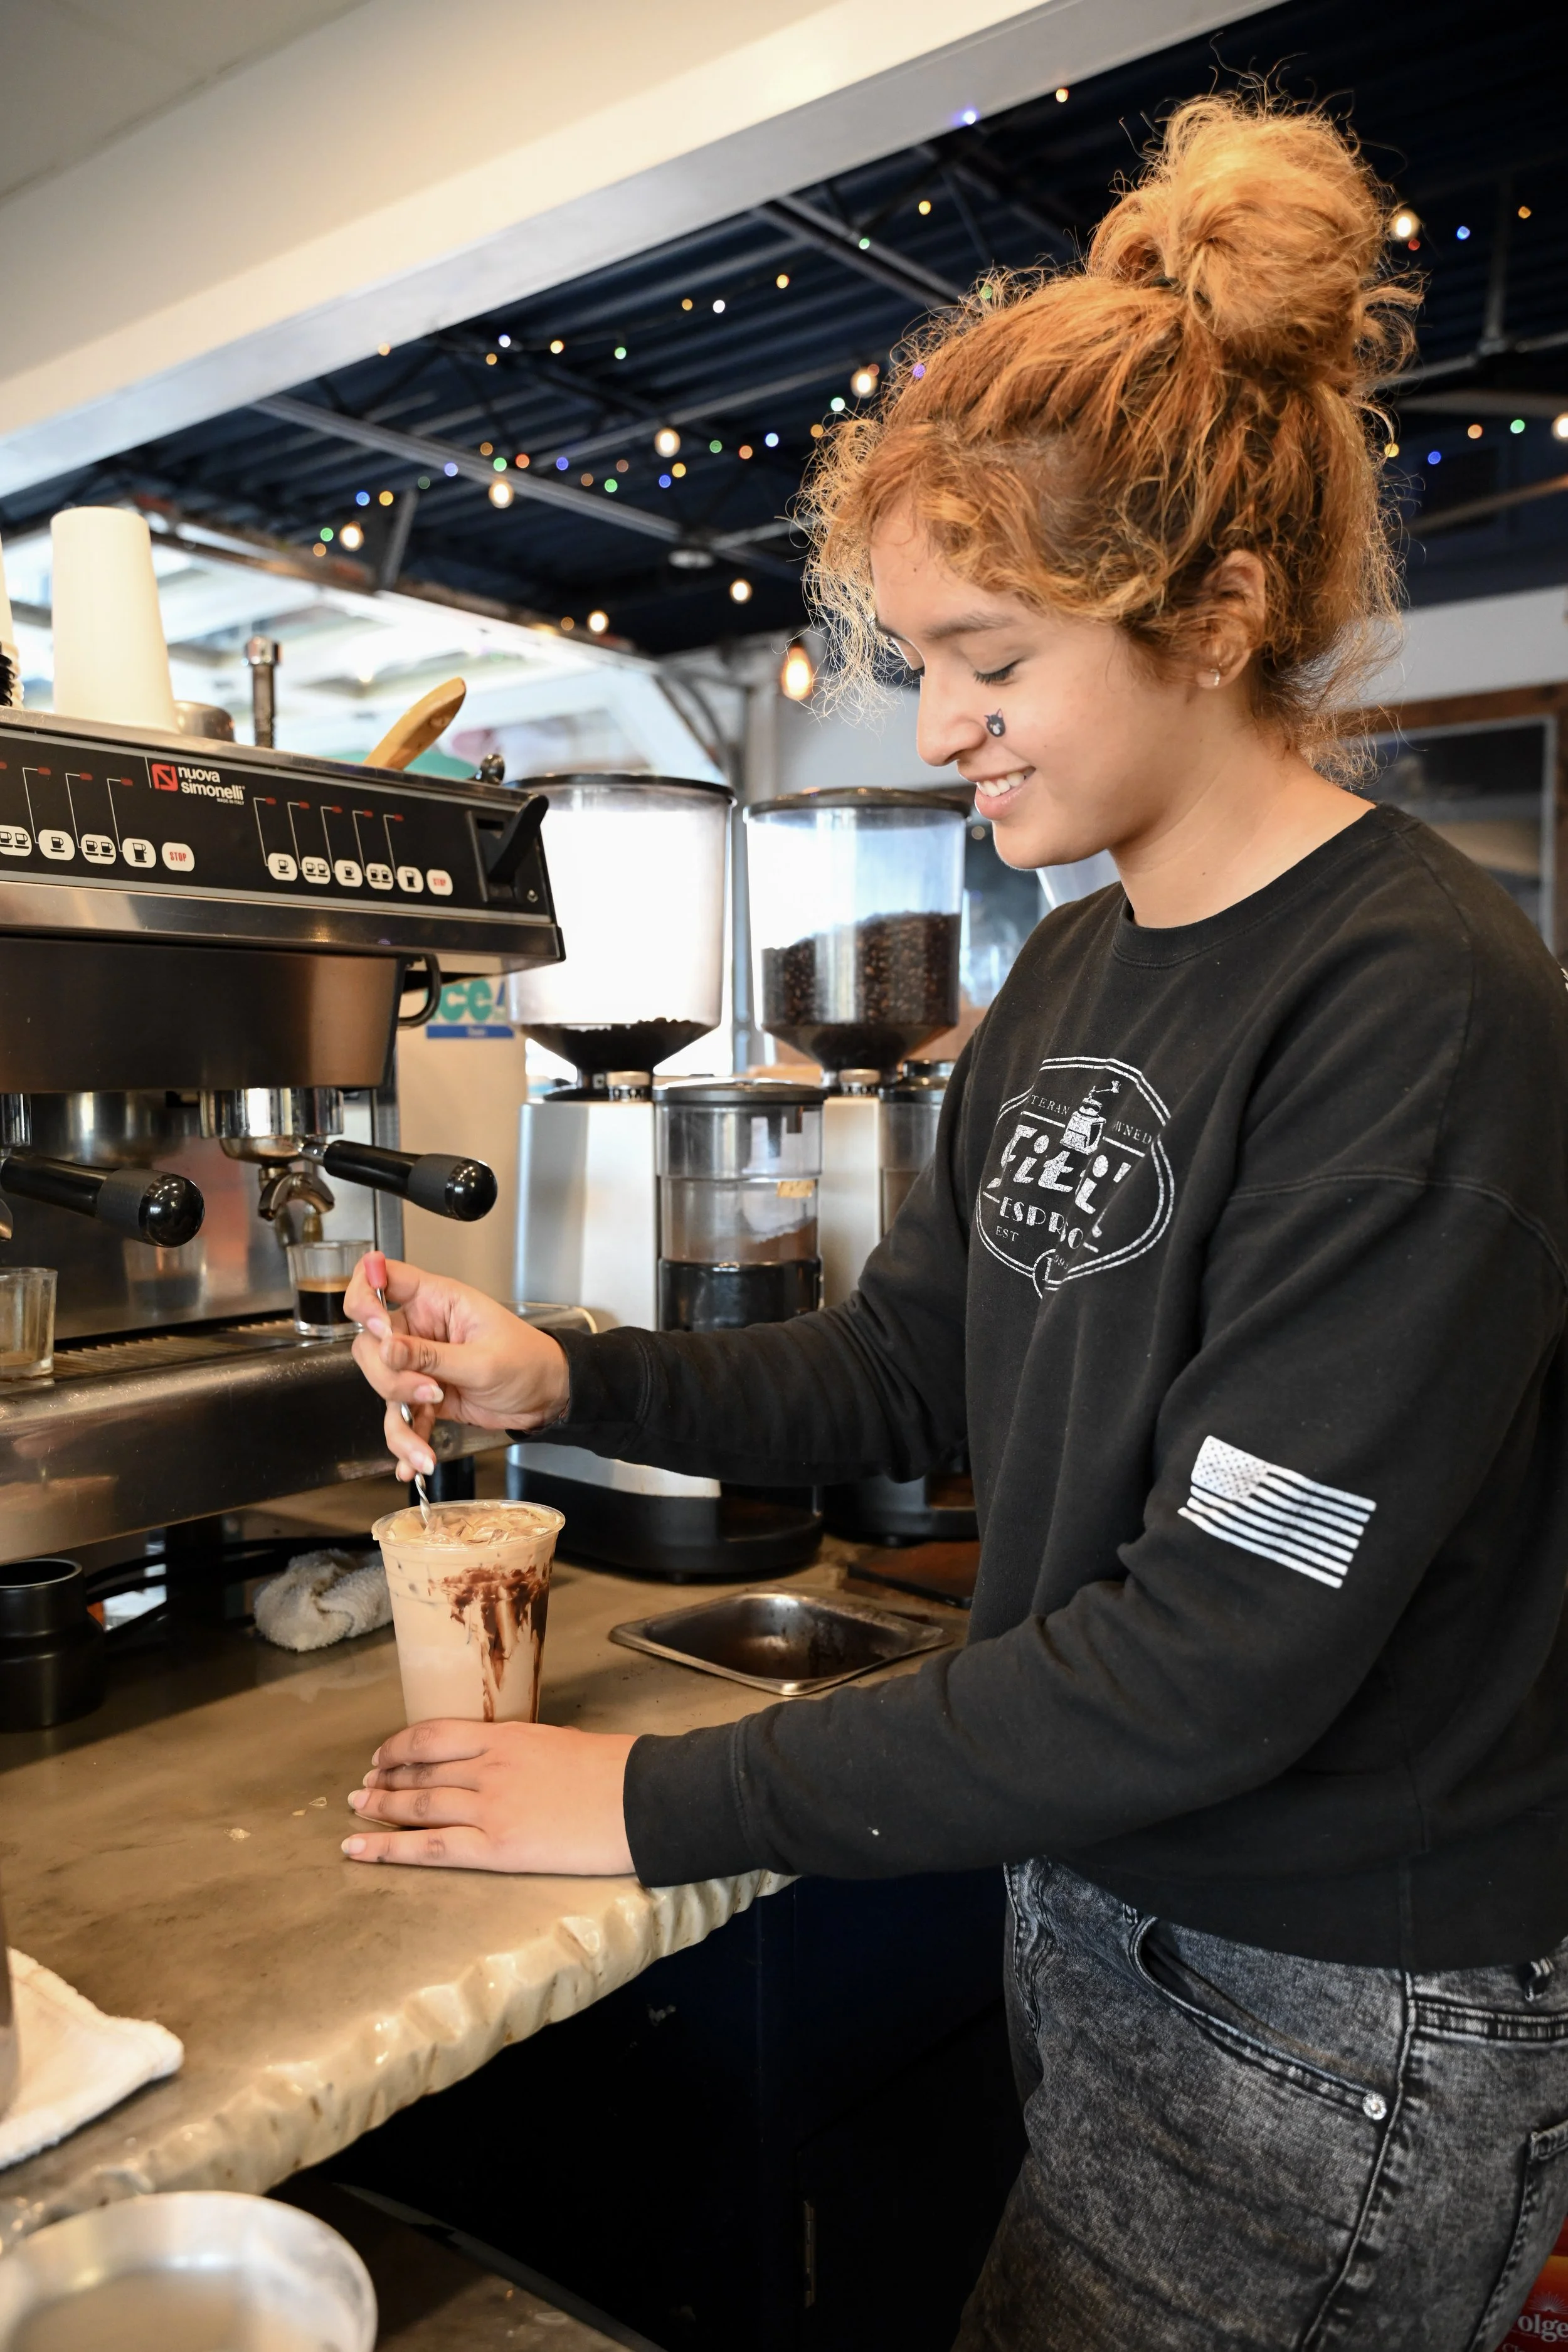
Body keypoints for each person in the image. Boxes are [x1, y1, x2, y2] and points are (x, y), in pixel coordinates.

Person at [341, 96, 1568, 2352]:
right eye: (920, 659)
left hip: (1332, 1996)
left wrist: (645, 1797)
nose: (936, 730)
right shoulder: (1081, 962)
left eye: (989, 660)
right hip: (1110, 1908)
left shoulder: (1422, 1010)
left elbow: (1218, 1649)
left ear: (1214, 611)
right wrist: (561, 1369)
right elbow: (903, 1363)